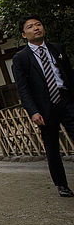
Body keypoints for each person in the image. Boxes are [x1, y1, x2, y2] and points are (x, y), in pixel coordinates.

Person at [12, 15, 74, 198]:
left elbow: (69, 75)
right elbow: (22, 88)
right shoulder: (21, 58)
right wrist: (33, 111)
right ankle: (62, 184)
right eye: (30, 27)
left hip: (65, 99)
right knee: (52, 147)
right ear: (24, 35)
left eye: (38, 24)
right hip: (44, 106)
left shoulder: (57, 49)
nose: (36, 28)